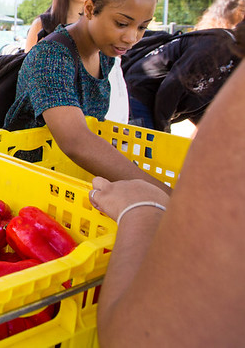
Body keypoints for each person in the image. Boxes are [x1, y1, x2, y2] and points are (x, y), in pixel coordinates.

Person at [89, 25, 245, 345]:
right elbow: (170, 91)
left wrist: (142, 209)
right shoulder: (220, 52)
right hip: (143, 96)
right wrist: (161, 133)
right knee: (144, 145)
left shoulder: (228, 65)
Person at [4, 0, 170, 193]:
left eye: (142, 26)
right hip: (30, 189)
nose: (132, 38)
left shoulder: (106, 54)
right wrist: (163, 193)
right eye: (122, 23)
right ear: (90, 9)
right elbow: (75, 141)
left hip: (75, 183)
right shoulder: (51, 55)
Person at [124, 0, 245, 131]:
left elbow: (199, 99)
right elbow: (171, 88)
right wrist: (162, 128)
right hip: (141, 92)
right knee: (146, 149)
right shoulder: (218, 46)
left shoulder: (234, 59)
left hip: (153, 98)